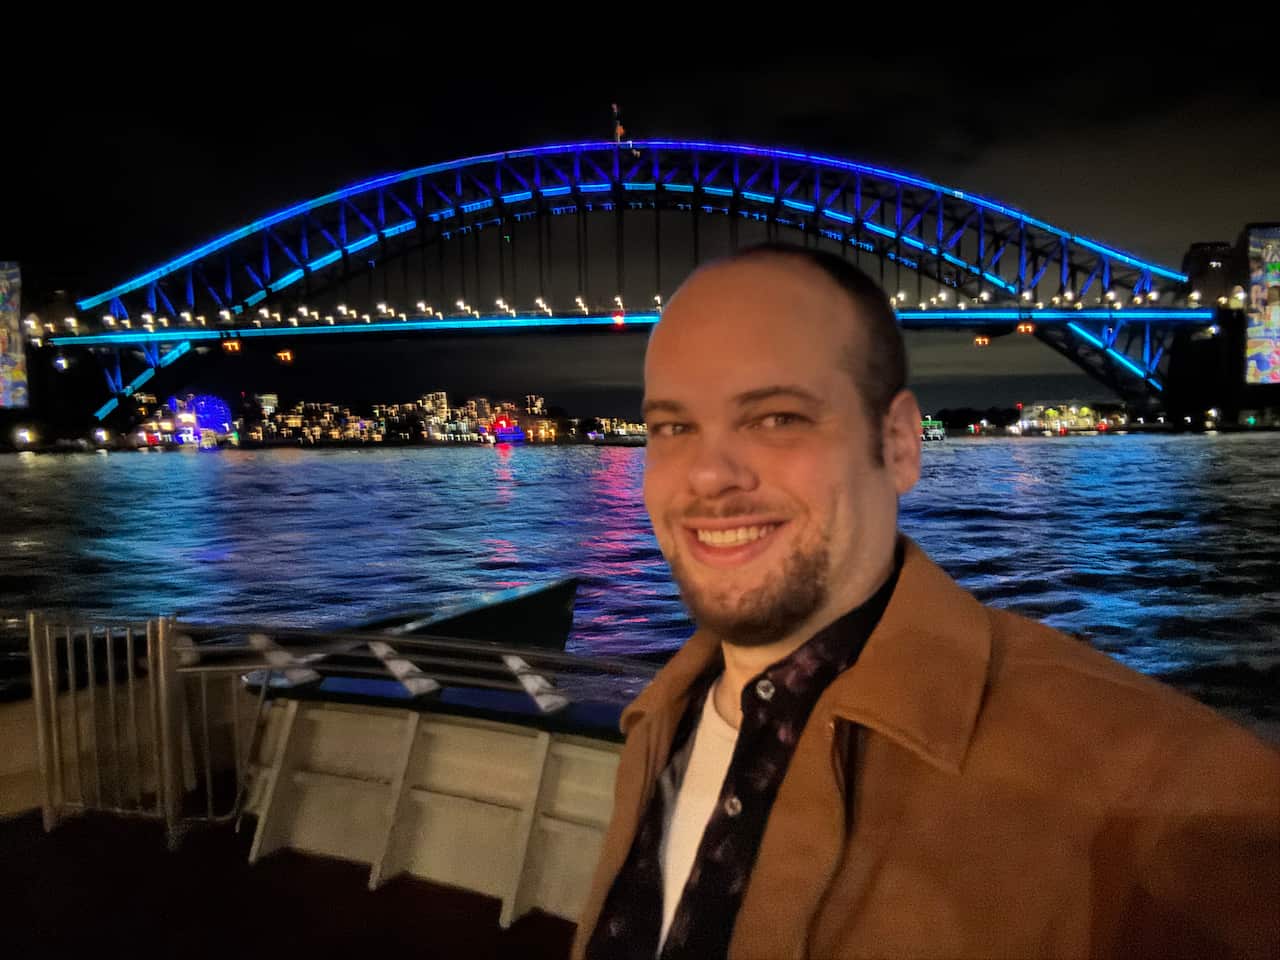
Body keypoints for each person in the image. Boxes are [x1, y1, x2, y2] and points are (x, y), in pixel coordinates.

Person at [572, 244, 1280, 959]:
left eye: (776, 418)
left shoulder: (1151, 789)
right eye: (672, 428)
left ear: (901, 443)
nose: (707, 475)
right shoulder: (660, 720)